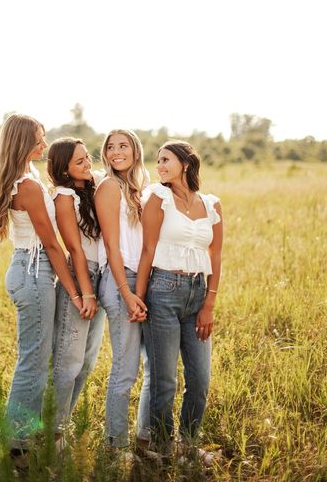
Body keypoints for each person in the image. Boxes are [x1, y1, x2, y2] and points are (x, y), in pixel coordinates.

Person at [0, 114, 83, 457]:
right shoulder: (26, 186)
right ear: (23, 143)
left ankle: (23, 438)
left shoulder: (25, 177)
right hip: (34, 271)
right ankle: (16, 444)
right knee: (33, 360)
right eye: (39, 140)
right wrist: (74, 290)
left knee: (33, 357)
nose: (44, 145)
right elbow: (51, 244)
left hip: (28, 269)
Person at [135, 140, 223, 459]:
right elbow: (147, 249)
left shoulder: (211, 204)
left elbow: (216, 254)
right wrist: (139, 296)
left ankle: (187, 445)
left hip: (198, 293)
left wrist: (209, 304)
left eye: (165, 160)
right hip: (162, 289)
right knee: (165, 379)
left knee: (199, 379)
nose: (159, 166)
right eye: (157, 161)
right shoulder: (158, 197)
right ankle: (161, 447)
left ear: (185, 163)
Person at [94, 129, 150, 452]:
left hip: (138, 281)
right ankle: (115, 446)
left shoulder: (137, 188)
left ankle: (144, 439)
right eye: (111, 147)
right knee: (125, 369)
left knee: (143, 368)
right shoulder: (109, 187)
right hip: (119, 283)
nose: (116, 152)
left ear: (135, 151)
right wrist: (127, 293)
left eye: (123, 145)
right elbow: (113, 248)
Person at [47, 137, 106, 445]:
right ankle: (53, 435)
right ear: (64, 169)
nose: (88, 164)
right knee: (67, 361)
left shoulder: (91, 190)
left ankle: (61, 426)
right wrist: (86, 292)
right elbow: (74, 248)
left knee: (86, 362)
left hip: (100, 276)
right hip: (81, 277)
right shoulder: (64, 195)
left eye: (88, 158)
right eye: (80, 162)